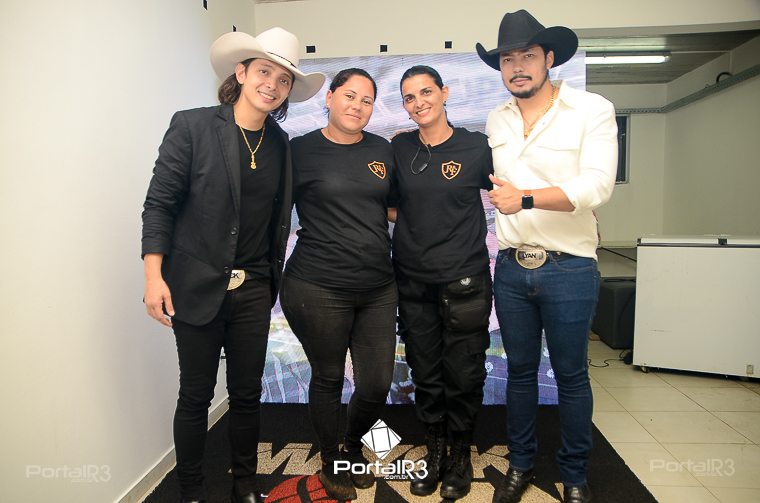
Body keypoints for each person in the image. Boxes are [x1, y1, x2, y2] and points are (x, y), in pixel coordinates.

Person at [141, 27, 324, 503]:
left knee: (246, 395)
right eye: (264, 72)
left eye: (283, 79)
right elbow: (159, 205)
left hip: (253, 291)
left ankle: (245, 484)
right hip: (195, 286)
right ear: (240, 73)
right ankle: (191, 489)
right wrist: (153, 277)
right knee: (195, 396)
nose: (272, 85)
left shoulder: (281, 144)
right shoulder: (193, 126)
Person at [476, 10, 618, 503]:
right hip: (511, 267)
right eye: (507, 59)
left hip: (569, 268)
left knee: (571, 377)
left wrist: (527, 198)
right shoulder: (497, 118)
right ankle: (520, 466)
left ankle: (574, 475)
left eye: (527, 56)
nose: (517, 67)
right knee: (519, 374)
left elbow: (597, 186)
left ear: (549, 59)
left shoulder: (591, 109)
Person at [278, 68, 397, 501]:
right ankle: (333, 459)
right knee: (328, 377)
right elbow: (272, 210)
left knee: (376, 383)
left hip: (378, 286)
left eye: (366, 100)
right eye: (349, 96)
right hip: (317, 286)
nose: (357, 106)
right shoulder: (299, 150)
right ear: (329, 98)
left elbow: (394, 209)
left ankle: (353, 443)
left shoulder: (383, 150)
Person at [388, 65, 493, 500]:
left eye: (426, 92)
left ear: (444, 93)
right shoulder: (399, 149)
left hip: (465, 281)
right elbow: (389, 205)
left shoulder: (477, 146)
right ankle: (434, 454)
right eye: (409, 97)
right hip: (414, 284)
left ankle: (460, 457)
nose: (419, 103)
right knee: (427, 374)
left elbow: (509, 189)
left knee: (464, 375)